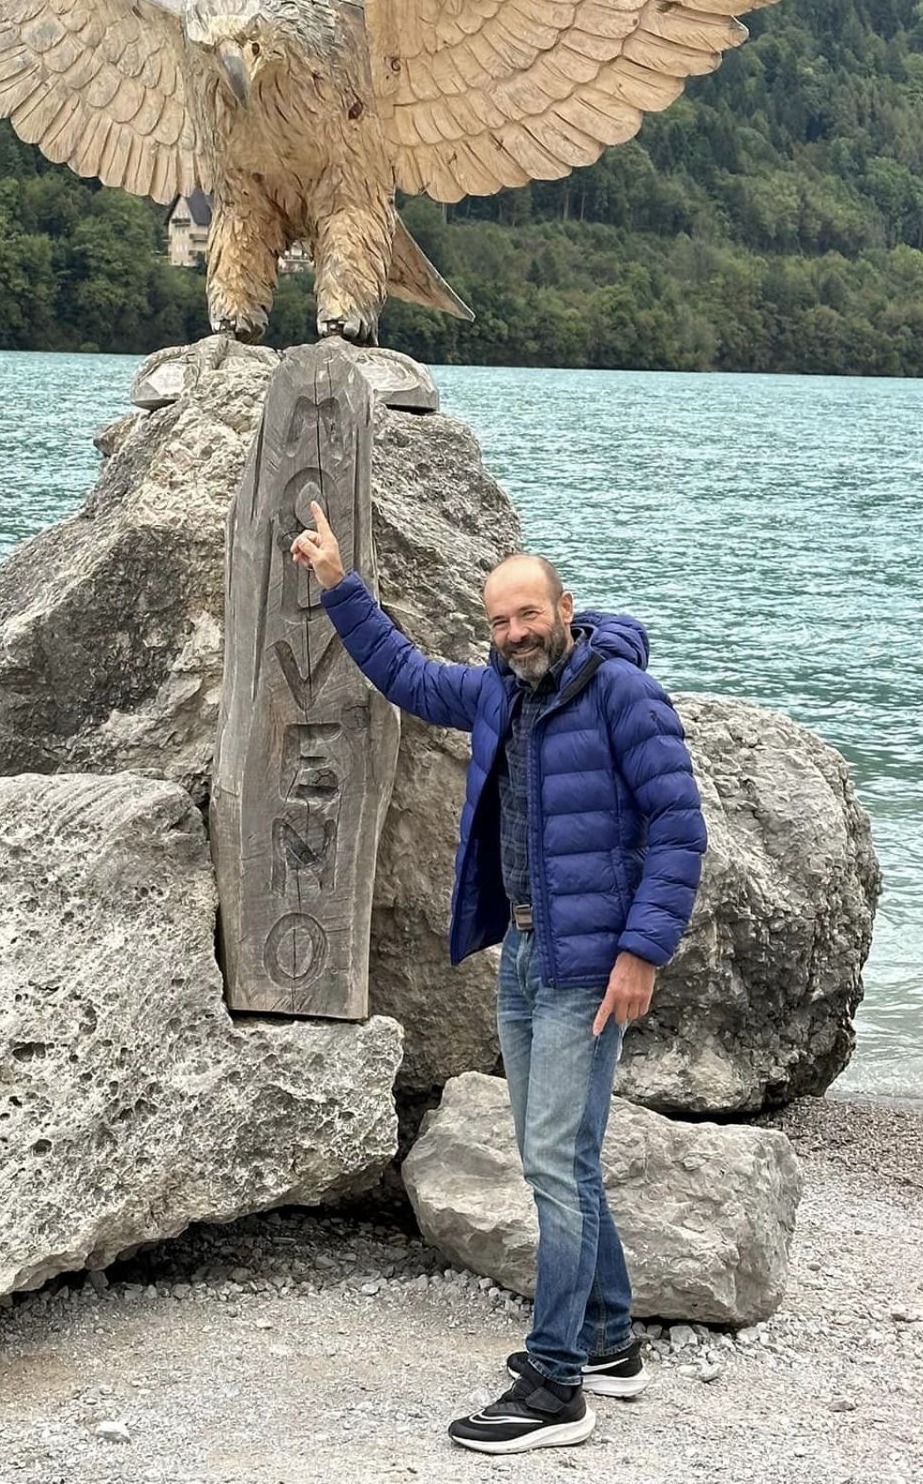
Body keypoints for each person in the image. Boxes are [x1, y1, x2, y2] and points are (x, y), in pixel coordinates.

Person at [290, 503, 707, 1456]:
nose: (515, 632)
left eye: (528, 614)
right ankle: (609, 1341)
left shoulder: (623, 694)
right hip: (522, 957)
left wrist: (642, 954)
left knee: (554, 1165)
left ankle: (556, 1385)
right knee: (559, 1156)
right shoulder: (499, 693)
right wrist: (341, 586)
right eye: (499, 621)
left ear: (565, 608)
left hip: (589, 964)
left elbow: (680, 829)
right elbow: (404, 674)